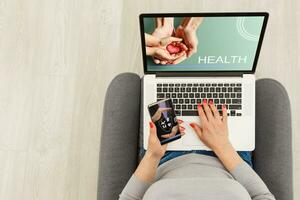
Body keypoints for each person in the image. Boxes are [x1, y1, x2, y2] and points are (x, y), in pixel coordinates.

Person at [119, 100, 275, 199]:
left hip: (163, 156)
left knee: (164, 80)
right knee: (221, 80)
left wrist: (153, 155)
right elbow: (262, 196)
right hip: (228, 158)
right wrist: (222, 145)